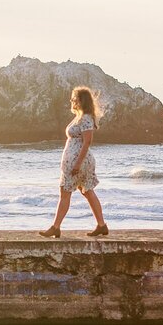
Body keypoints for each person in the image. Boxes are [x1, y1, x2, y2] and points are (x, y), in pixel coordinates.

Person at [40, 86, 108, 238]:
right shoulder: (80, 116)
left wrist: (77, 164)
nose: (71, 101)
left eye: (74, 98)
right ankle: (101, 225)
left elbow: (87, 142)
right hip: (75, 161)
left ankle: (55, 227)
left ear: (81, 100)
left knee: (66, 192)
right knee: (87, 191)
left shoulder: (85, 118)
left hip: (80, 162)